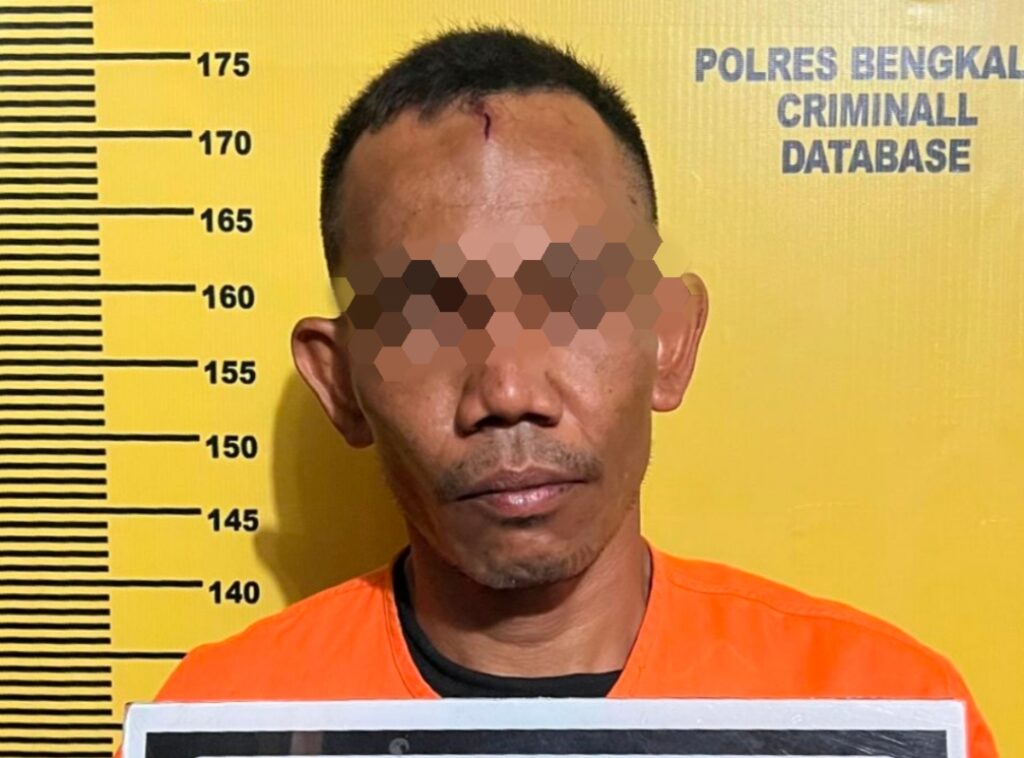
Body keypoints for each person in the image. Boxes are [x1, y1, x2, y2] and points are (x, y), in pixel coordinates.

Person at [129, 26, 998, 756]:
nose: (508, 389)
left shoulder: (872, 709)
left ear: (669, 341)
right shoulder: (225, 718)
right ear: (339, 380)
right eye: (428, 315)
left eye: (573, 298)